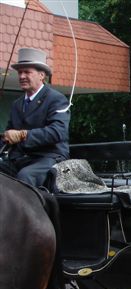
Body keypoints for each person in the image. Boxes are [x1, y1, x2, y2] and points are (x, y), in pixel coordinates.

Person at [1, 48, 70, 187]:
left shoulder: (56, 99)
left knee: (25, 176)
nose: (21, 76)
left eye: (27, 72)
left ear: (41, 75)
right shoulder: (17, 104)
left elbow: (57, 132)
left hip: (49, 157)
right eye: (20, 72)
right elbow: (8, 136)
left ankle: (24, 209)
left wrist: (23, 135)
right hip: (21, 158)